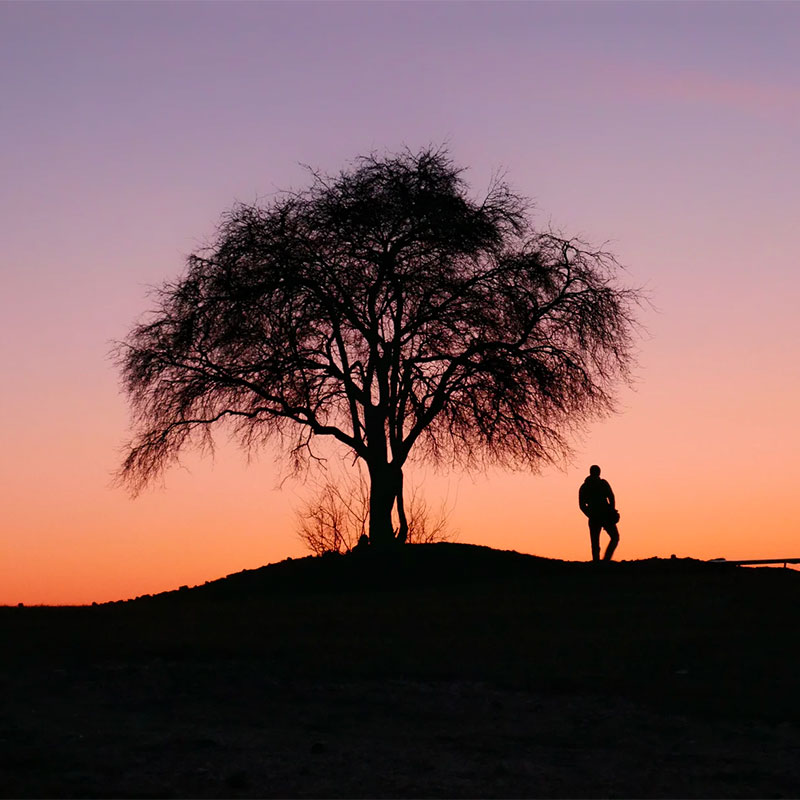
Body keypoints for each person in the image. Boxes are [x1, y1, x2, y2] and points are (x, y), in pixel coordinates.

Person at [578, 465, 620, 562]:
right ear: (598, 472)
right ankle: (606, 560)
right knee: (615, 537)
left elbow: (581, 505)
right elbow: (611, 497)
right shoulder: (602, 484)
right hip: (604, 515)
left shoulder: (584, 486)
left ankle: (597, 562)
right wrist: (611, 510)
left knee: (595, 542)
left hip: (595, 516)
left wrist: (590, 514)